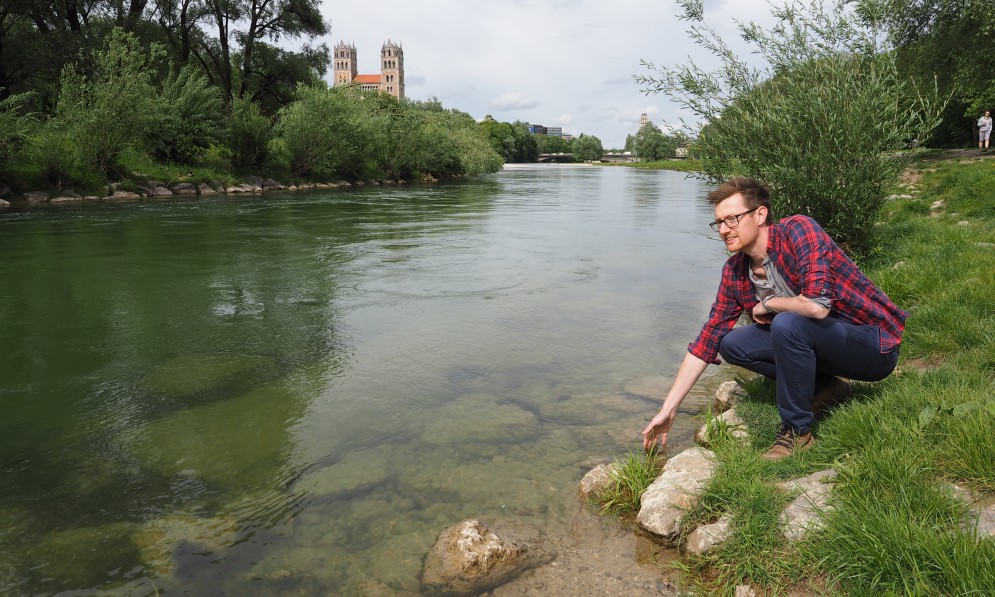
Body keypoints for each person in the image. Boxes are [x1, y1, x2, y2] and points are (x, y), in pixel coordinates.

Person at [641, 177, 908, 460]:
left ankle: (797, 432)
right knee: (730, 343)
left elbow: (817, 306)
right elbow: (707, 339)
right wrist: (668, 408)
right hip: (823, 344)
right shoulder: (735, 270)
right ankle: (826, 388)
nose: (723, 230)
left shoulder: (798, 230)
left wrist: (769, 303)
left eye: (731, 219)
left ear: (760, 214)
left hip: (872, 345)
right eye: (718, 222)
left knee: (787, 323)